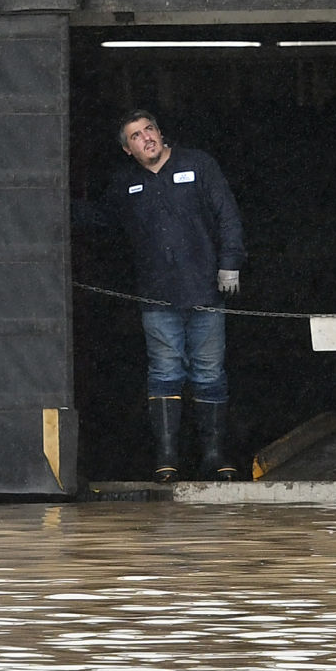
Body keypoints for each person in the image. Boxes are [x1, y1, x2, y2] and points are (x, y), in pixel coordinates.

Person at [77, 109, 246, 483]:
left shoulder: (198, 164)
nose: (146, 138)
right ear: (127, 149)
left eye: (149, 129)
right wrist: (49, 204)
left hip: (205, 293)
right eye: (136, 136)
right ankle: (167, 459)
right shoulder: (125, 184)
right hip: (157, 298)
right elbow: (101, 220)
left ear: (160, 132)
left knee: (209, 374)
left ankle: (215, 457)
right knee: (165, 374)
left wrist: (230, 262)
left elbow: (227, 215)